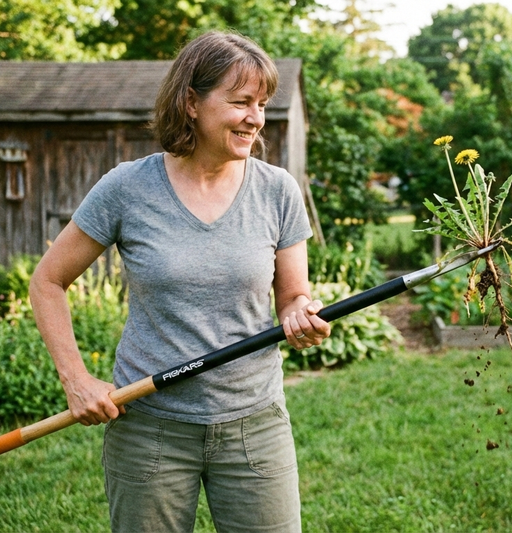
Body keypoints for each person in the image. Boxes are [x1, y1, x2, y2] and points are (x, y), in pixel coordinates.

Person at [29, 30, 331, 533]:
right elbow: (48, 282)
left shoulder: (277, 190)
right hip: (150, 428)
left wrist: (299, 313)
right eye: (240, 102)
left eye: (261, 104)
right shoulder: (128, 188)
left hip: (254, 423)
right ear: (191, 102)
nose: (256, 118)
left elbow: (292, 295)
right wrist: (76, 380)